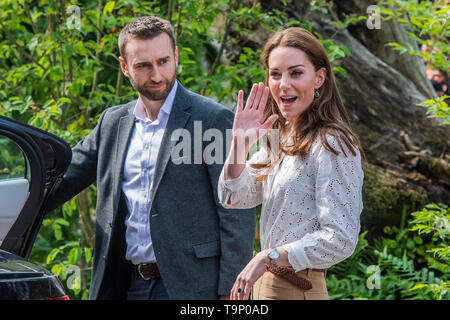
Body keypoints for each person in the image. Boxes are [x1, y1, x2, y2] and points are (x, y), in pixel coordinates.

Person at [45, 16, 256, 300]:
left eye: (164, 61)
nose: (156, 75)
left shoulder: (211, 119)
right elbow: (62, 180)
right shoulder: (112, 122)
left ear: (176, 56)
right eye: (143, 65)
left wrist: (230, 291)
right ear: (124, 67)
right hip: (126, 283)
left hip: (192, 288)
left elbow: (235, 210)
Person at [218, 27, 365, 300]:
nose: (283, 84)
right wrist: (240, 144)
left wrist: (268, 256)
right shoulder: (280, 139)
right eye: (275, 74)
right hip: (264, 286)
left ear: (319, 78)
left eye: (295, 73)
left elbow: (341, 238)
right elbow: (232, 196)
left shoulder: (333, 144)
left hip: (296, 287)